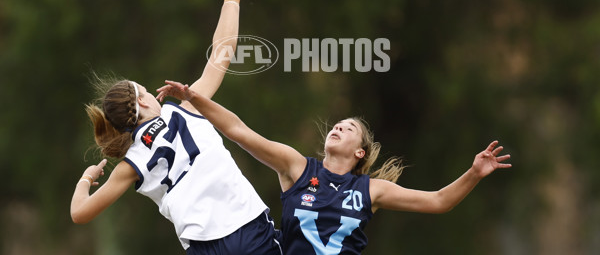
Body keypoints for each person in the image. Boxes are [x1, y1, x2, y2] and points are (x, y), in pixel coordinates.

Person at [155, 80, 512, 255]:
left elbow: (439, 201)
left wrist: (474, 173)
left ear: (360, 152)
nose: (339, 127)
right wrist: (194, 98)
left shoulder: (371, 191)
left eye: (349, 128)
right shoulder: (296, 168)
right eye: (337, 125)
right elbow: (237, 131)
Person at [70, 0, 283, 255]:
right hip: (246, 224)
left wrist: (86, 179)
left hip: (203, 247)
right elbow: (222, 51)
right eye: (145, 90)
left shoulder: (131, 163)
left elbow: (80, 213)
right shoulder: (186, 108)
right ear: (143, 102)